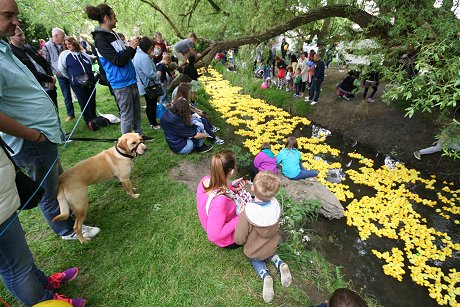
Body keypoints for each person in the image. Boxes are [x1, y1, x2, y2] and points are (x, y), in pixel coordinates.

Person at [0, 1, 100, 242]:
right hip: (30, 139)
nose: (16, 21)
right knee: (46, 186)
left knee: (56, 179)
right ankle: (66, 229)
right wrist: (33, 135)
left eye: (16, 15)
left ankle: (68, 214)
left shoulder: (4, 47)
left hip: (40, 135)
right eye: (8, 15)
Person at [0, 141, 85, 306]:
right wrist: (34, 136)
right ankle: (43, 302)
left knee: (20, 257)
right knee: (15, 269)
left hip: (3, 201)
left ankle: (43, 283)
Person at [86, 3, 152, 140]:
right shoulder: (100, 39)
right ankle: (126, 143)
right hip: (121, 84)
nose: (116, 20)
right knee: (127, 115)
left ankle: (139, 136)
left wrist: (132, 48)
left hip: (131, 79)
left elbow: (126, 56)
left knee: (136, 112)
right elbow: (118, 60)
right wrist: (131, 48)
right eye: (114, 17)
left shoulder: (113, 34)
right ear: (106, 18)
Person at [234, 171, 292, 303]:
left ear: (253, 188)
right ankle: (279, 262)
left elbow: (240, 236)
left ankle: (265, 275)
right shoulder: (276, 205)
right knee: (271, 253)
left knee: (256, 260)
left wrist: (239, 242)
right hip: (271, 246)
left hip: (255, 250)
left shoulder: (248, 211)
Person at [196, 150, 251, 248]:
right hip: (227, 240)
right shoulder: (220, 202)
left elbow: (214, 192)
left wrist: (230, 187)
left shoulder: (205, 180)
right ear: (231, 171)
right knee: (255, 213)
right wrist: (240, 217)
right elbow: (213, 236)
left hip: (213, 221)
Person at [9, 26, 58, 108]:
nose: (23, 37)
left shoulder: (29, 47)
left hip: (50, 86)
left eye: (23, 34)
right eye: (19, 35)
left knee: (55, 112)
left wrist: (50, 76)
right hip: (36, 89)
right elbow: (27, 71)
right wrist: (49, 78)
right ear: (11, 36)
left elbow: (45, 62)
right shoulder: (12, 53)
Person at [58, 36, 97, 126]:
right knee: (83, 101)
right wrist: (71, 77)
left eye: (70, 43)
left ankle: (94, 117)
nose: (68, 46)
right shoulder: (65, 55)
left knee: (91, 99)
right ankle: (88, 120)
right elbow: (62, 68)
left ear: (74, 43)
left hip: (90, 81)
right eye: (66, 44)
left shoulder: (83, 54)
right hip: (77, 84)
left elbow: (91, 61)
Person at [41, 27, 75, 121]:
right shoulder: (46, 46)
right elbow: (46, 63)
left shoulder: (66, 44)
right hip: (60, 76)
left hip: (72, 73)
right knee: (66, 95)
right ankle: (70, 114)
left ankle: (86, 112)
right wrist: (50, 76)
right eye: (62, 36)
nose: (64, 38)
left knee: (79, 92)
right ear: (55, 36)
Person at [132, 37, 161, 129]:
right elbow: (150, 74)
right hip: (148, 85)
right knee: (151, 105)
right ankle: (153, 124)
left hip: (144, 84)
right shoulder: (144, 57)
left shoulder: (138, 54)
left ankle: (153, 123)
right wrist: (159, 73)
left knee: (151, 104)